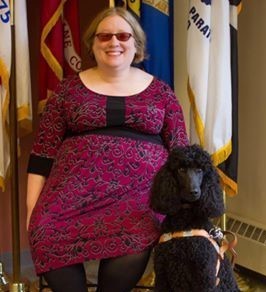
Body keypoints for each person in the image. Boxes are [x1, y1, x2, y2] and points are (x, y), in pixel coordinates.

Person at [26, 6, 189, 292]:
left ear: (136, 44)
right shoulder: (67, 91)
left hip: (138, 202)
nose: (114, 42)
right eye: (105, 36)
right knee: (45, 232)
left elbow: (182, 158)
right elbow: (42, 155)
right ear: (92, 43)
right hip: (69, 199)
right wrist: (31, 212)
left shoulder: (162, 93)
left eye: (123, 35)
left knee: (135, 242)